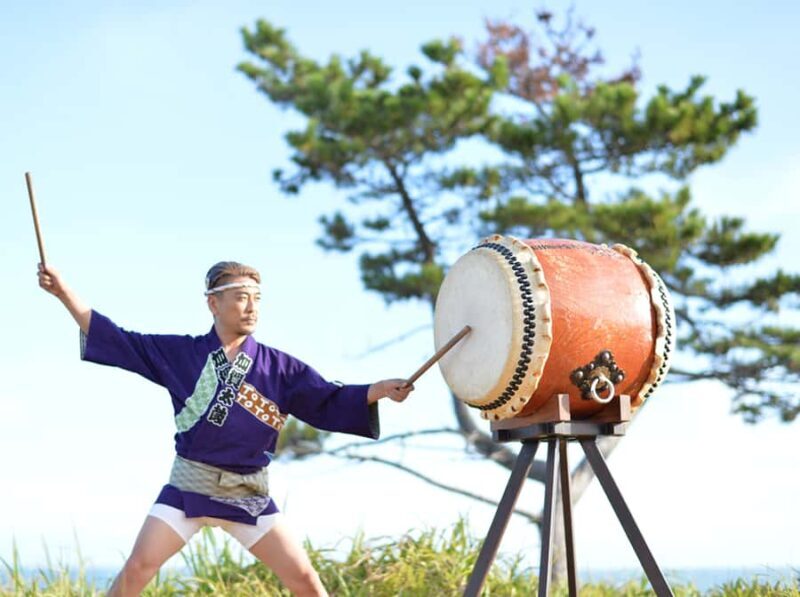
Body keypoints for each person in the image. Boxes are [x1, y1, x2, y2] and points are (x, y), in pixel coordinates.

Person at [37, 260, 414, 597]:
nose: (251, 307)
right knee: (137, 569)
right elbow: (119, 340)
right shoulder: (180, 354)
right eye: (240, 297)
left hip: (248, 493)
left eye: (257, 298)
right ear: (213, 303)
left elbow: (326, 398)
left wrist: (377, 390)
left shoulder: (279, 367)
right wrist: (63, 293)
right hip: (189, 488)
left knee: (305, 581)